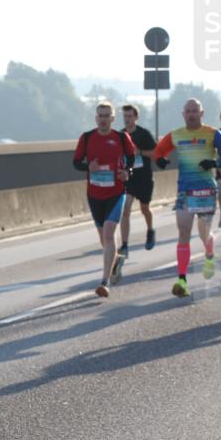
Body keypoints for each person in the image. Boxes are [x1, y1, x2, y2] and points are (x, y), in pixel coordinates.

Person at [152, 99, 221, 297]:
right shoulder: (177, 135)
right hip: (184, 191)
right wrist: (161, 160)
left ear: (202, 112)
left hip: (206, 191)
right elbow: (159, 151)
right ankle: (182, 281)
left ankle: (209, 254)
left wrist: (213, 162)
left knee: (204, 233)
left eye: (194, 111)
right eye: (188, 111)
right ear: (183, 114)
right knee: (183, 232)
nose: (191, 114)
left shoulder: (213, 133)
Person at [72, 101, 136, 298]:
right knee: (104, 239)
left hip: (116, 193)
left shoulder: (121, 137)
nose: (103, 119)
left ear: (112, 119)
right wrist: (87, 167)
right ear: (96, 118)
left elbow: (132, 159)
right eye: (100, 115)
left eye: (106, 115)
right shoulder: (87, 138)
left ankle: (104, 282)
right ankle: (116, 261)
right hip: (94, 194)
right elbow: (76, 162)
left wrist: (128, 172)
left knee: (109, 234)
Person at [119, 104, 157, 256]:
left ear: (135, 117)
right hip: (128, 177)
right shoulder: (120, 135)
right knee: (125, 209)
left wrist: (139, 152)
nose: (127, 119)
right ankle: (125, 245)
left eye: (130, 116)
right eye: (125, 116)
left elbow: (156, 153)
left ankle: (150, 230)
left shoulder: (144, 134)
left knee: (144, 208)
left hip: (144, 177)